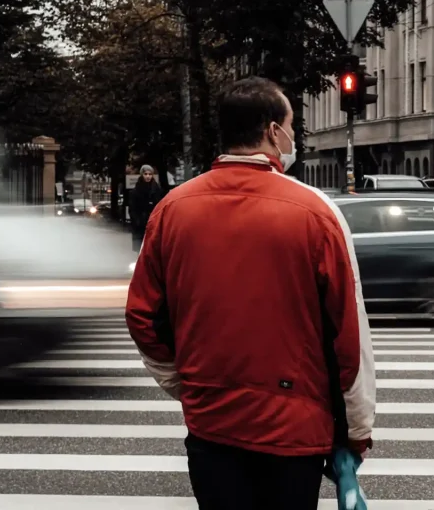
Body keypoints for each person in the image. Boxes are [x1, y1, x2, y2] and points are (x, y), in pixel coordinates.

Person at [125, 76, 375, 510]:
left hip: (211, 422)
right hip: (294, 430)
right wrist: (357, 428)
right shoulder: (316, 212)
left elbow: (143, 316)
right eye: (291, 126)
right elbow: (350, 334)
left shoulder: (172, 210)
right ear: (272, 131)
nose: (293, 137)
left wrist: (184, 384)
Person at [129, 165, 164, 252]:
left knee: (154, 250)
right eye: (145, 174)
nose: (148, 176)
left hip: (154, 224)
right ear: (142, 175)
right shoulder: (135, 191)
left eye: (150, 174)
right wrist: (138, 221)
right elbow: (132, 209)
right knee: (140, 250)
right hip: (140, 226)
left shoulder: (157, 190)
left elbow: (161, 207)